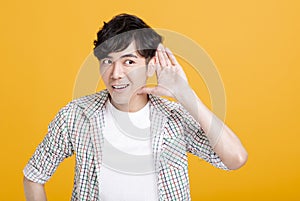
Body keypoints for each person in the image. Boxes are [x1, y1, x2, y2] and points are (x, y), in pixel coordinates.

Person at [23, 13, 248, 201]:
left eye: (129, 61)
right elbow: (34, 176)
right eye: (108, 61)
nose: (116, 74)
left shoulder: (173, 118)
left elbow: (235, 158)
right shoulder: (75, 116)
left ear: (151, 67)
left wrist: (185, 95)